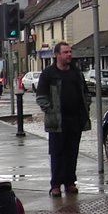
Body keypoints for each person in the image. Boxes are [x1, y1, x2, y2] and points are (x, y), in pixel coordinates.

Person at [35, 41, 92, 197]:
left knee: (72, 153)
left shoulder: (76, 73)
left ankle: (70, 182)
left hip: (75, 120)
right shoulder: (49, 74)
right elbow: (41, 96)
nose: (69, 55)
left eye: (70, 52)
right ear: (57, 55)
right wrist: (50, 110)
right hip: (57, 122)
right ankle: (55, 185)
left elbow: (86, 94)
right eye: (66, 52)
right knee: (57, 153)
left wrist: (85, 107)